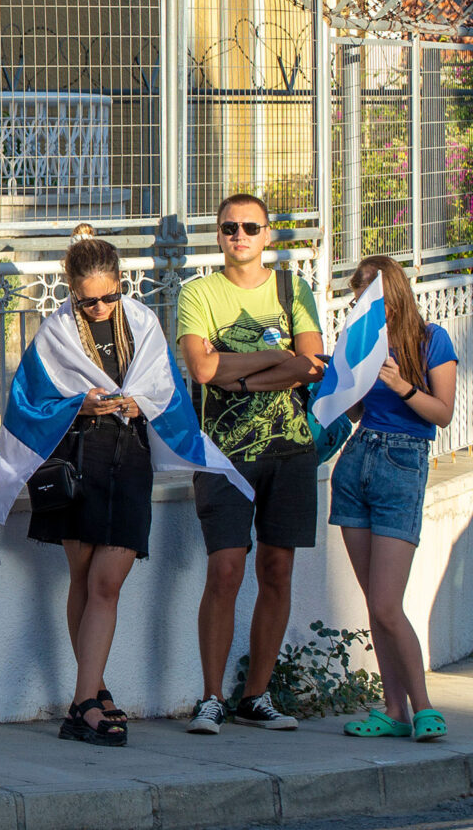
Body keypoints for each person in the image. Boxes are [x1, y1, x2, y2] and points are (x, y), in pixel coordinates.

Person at [177, 192, 325, 736]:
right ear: (218, 234)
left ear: (268, 235)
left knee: (277, 570)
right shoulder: (198, 293)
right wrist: (277, 359)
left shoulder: (293, 289)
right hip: (222, 454)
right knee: (225, 570)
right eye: (229, 227)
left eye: (250, 227)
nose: (239, 235)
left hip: (290, 449)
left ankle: (255, 696)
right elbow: (202, 369)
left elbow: (313, 366)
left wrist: (237, 373)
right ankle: (212, 697)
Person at [25, 231, 153, 746]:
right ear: (71, 290)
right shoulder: (56, 331)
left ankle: (82, 702)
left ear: (121, 283)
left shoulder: (142, 323)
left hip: (130, 458)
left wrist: (141, 402)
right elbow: (31, 399)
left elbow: (165, 386)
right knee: (83, 579)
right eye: (88, 300)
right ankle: (92, 693)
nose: (99, 307)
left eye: (108, 296)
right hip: (79, 457)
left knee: (106, 582)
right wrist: (79, 404)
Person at [332, 255, 457, 743]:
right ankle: (393, 710)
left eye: (370, 296)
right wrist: (343, 381)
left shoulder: (431, 340)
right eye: (357, 298)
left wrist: (400, 384)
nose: (362, 305)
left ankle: (423, 707)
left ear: (393, 295)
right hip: (358, 458)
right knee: (374, 602)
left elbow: (441, 413)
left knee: (387, 604)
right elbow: (354, 409)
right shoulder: (361, 343)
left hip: (402, 462)